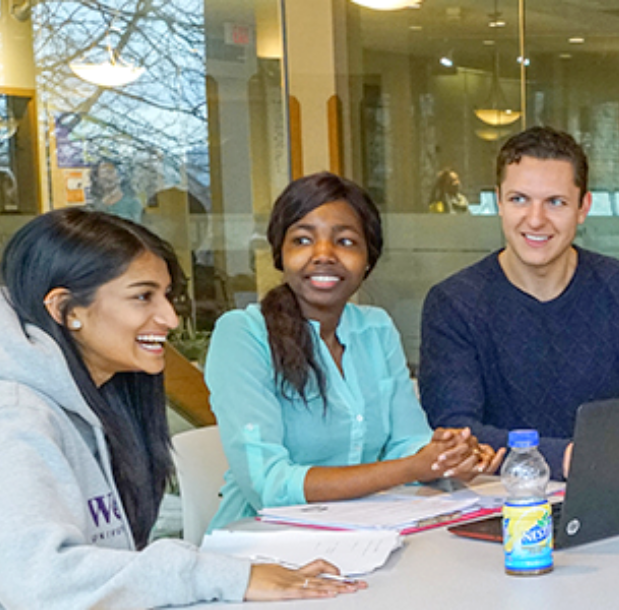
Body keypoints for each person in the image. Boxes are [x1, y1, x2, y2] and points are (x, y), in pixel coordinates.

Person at [0, 208, 364, 609]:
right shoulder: (12, 417)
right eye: (142, 297)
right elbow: (40, 582)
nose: (169, 318)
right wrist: (228, 577)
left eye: (167, 296)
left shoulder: (105, 397)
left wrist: (241, 575)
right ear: (66, 310)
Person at [205, 171, 502, 531]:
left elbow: (407, 442)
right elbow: (267, 485)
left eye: (345, 242)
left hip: (366, 535)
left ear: (368, 259)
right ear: (280, 254)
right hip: (260, 547)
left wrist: (448, 457)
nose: (324, 255)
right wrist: (410, 468)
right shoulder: (243, 334)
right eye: (302, 240)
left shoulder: (375, 328)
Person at [419, 126, 619, 481]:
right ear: (499, 201)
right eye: (519, 199)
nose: (536, 219)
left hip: (608, 495)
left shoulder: (614, 289)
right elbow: (455, 431)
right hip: (496, 499)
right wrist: (570, 458)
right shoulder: (454, 303)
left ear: (583, 207)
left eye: (555, 202)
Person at [90, 159, 143, 223]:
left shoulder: (133, 203)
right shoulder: (96, 205)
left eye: (109, 172)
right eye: (101, 174)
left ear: (119, 176)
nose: (106, 177)